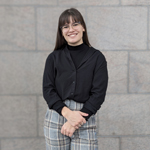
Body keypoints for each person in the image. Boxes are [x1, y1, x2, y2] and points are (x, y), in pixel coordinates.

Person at [42, 7, 108, 150]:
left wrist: (74, 121)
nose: (71, 29)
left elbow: (98, 94)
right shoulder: (53, 58)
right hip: (56, 116)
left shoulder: (97, 58)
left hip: (84, 117)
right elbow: (48, 90)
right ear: (61, 32)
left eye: (75, 24)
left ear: (83, 27)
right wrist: (67, 113)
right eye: (65, 26)